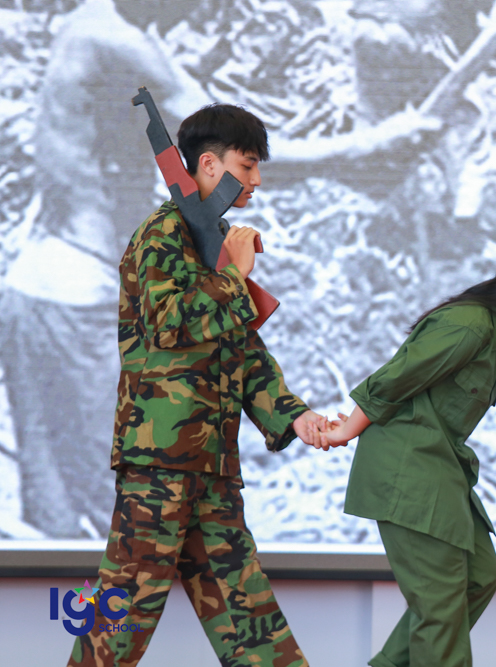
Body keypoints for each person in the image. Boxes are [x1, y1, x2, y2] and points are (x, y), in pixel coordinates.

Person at [68, 104, 329, 667]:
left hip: (210, 462)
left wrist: (293, 415)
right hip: (160, 461)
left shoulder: (214, 240)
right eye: (248, 165)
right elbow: (168, 325)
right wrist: (234, 277)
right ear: (209, 165)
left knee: (250, 618)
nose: (257, 180)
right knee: (119, 616)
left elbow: (239, 349)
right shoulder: (162, 234)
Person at [318, 230, 496, 667]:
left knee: (479, 577)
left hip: (440, 466)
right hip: (409, 469)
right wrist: (343, 431)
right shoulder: (469, 324)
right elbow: (394, 379)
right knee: (441, 605)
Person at [0, 0, 210, 538]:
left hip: (36, 288)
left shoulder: (87, 25)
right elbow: (232, 148)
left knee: (56, 519)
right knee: (115, 504)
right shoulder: (117, 39)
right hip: (75, 304)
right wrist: (380, 143)